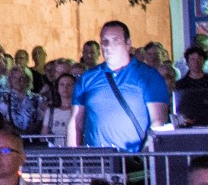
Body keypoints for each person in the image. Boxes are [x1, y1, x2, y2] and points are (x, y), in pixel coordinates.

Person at [66, 20, 168, 155]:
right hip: (96, 162)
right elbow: (76, 122)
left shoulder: (149, 76)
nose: (108, 45)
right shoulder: (87, 78)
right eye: (104, 40)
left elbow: (158, 121)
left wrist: (146, 157)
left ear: (128, 44)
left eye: (115, 40)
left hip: (135, 162)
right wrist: (73, 160)